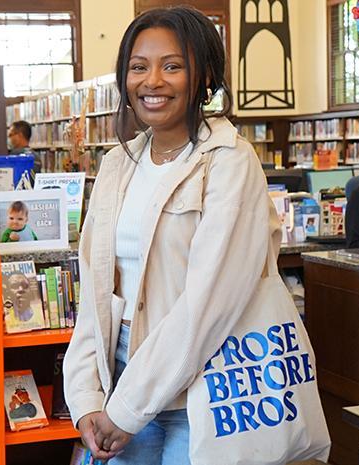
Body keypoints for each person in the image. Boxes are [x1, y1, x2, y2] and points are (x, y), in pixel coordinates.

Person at [63, 6, 280, 465]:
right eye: (138, 67)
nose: (152, 81)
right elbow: (96, 291)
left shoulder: (229, 163)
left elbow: (208, 304)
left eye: (173, 66)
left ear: (204, 77)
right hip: (119, 375)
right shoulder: (116, 165)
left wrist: (125, 410)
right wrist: (86, 398)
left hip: (204, 389)